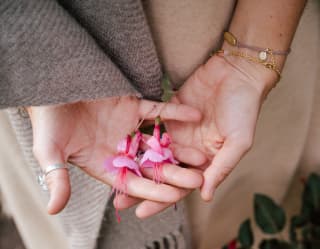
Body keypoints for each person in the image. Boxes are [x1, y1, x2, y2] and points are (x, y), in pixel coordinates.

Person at [0, 0, 319, 249]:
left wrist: (249, 62)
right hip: (39, 76)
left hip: (245, 37)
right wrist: (44, 86)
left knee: (243, 200)